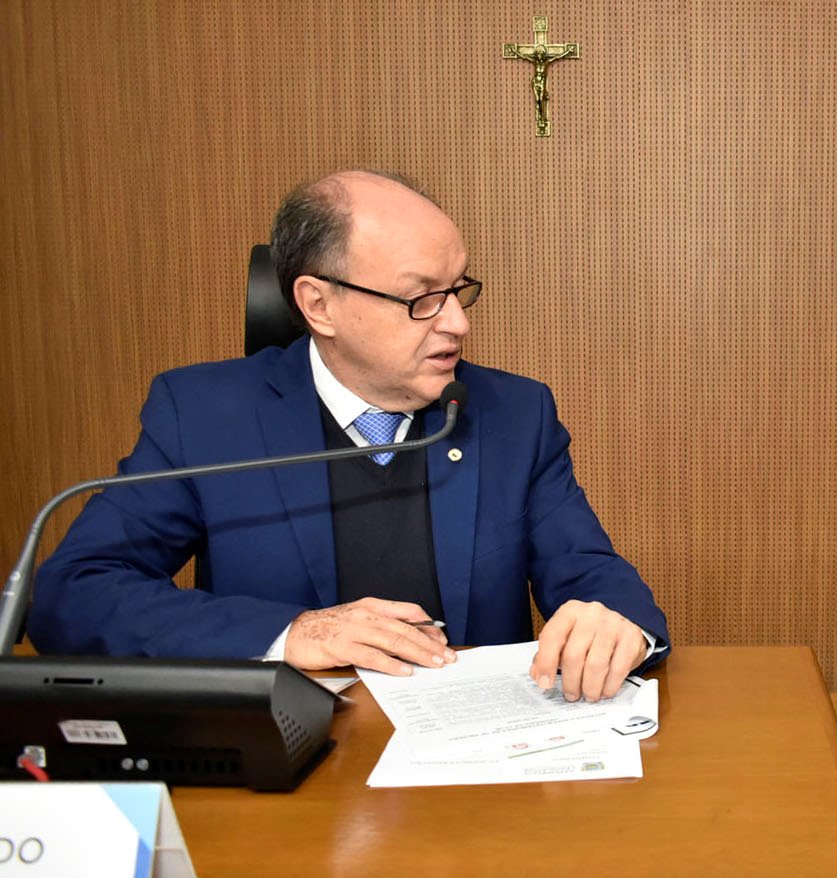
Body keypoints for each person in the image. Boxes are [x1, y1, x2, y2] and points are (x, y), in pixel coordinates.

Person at [29, 169, 668, 702]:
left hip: (475, 766)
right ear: (319, 305)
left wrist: (617, 624)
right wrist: (291, 633)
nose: (456, 322)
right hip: (291, 771)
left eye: (457, 289)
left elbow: (593, 574)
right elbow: (73, 593)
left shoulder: (513, 413)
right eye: (421, 298)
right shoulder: (204, 416)